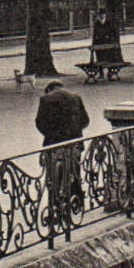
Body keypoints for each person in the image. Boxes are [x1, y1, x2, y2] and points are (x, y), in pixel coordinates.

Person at [36, 81, 89, 226]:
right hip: (74, 145)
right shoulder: (76, 97)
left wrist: (51, 134)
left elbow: (40, 122)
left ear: (49, 89)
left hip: (54, 145)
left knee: (53, 179)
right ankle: (75, 205)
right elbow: (85, 121)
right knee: (74, 173)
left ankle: (55, 209)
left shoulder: (46, 99)